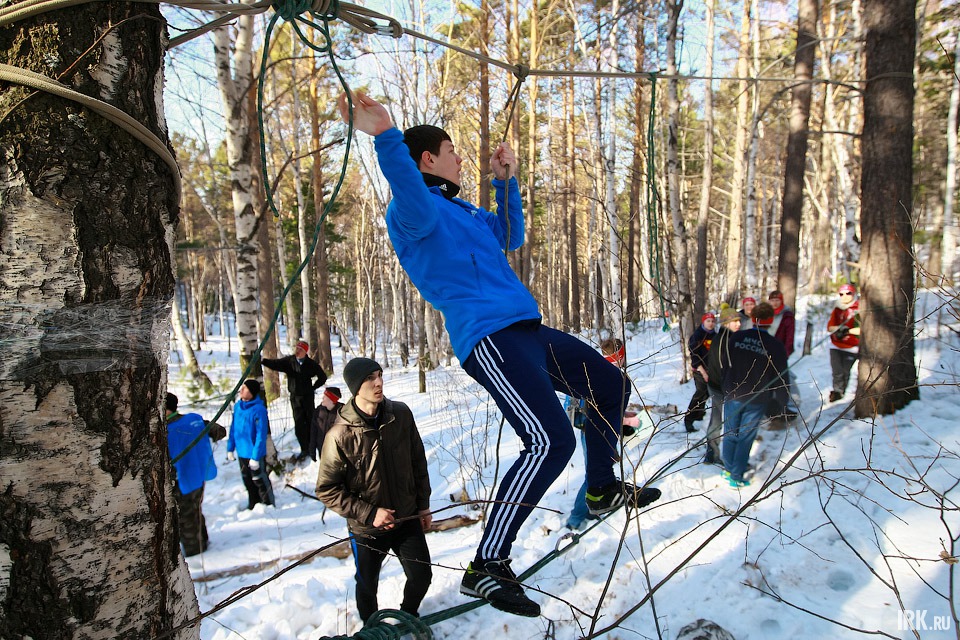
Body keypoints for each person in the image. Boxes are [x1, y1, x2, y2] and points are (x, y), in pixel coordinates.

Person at [338, 89, 660, 617]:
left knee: (609, 385)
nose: (460, 156)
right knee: (548, 440)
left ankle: (601, 487)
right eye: (451, 150)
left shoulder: (462, 211)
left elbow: (509, 234)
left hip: (527, 330)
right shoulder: (413, 212)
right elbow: (407, 188)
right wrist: (386, 135)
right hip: (487, 338)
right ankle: (487, 564)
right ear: (427, 160)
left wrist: (505, 180)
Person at [315, 358, 433, 624]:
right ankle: (372, 629)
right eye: (370, 378)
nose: (378, 382)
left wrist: (423, 505)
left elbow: (417, 461)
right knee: (367, 586)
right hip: (366, 529)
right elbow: (326, 489)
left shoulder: (400, 414)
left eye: (379, 375)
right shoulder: (339, 433)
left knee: (422, 576)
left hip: (406, 517)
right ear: (356, 387)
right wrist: (369, 514)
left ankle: (408, 616)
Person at [565, 338, 638, 530]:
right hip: (594, 431)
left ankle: (590, 509)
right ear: (620, 356)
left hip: (594, 429)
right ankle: (575, 518)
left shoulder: (595, 368)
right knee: (594, 475)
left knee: (599, 471)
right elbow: (599, 413)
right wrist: (628, 421)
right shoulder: (608, 375)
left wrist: (624, 416)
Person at [719, 302, 789, 488]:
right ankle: (735, 474)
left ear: (753, 318)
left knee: (731, 432)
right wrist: (782, 402)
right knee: (745, 437)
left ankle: (730, 467)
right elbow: (782, 377)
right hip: (755, 398)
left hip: (735, 393)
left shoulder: (738, 337)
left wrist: (724, 385)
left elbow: (725, 363)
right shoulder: (775, 345)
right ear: (771, 320)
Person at [165, 392, 220, 556]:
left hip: (181, 480)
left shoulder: (166, 429)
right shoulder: (193, 420)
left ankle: (195, 552)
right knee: (195, 508)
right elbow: (219, 431)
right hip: (199, 476)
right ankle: (203, 541)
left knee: (185, 516)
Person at [261, 339, 328, 461]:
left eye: (300, 349)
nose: (297, 351)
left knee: (310, 421)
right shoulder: (289, 361)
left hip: (307, 397)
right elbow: (276, 364)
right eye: (296, 348)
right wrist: (263, 361)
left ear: (305, 352)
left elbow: (322, 377)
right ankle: (304, 449)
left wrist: (313, 387)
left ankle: (314, 445)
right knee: (299, 423)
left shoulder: (311, 364)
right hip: (295, 397)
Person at [227, 379, 275, 509]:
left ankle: (268, 504)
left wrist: (255, 456)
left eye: (245, 388)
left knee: (259, 479)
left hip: (254, 453)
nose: (241, 390)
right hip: (241, 451)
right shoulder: (238, 407)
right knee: (247, 480)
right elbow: (233, 428)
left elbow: (261, 435)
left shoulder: (259, 410)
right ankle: (253, 504)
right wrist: (230, 447)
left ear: (252, 392)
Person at [704, 306, 741, 465]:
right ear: (726, 323)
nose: (738, 324)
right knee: (720, 420)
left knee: (718, 419)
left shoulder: (723, 337)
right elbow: (723, 366)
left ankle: (712, 453)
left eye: (739, 320)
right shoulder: (726, 340)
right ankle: (714, 454)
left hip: (719, 385)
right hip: (721, 387)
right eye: (735, 321)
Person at [767, 290, 799, 418]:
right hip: (764, 353)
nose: (774, 303)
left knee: (782, 381)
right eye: (772, 300)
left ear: (781, 301)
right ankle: (770, 409)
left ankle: (785, 408)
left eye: (777, 300)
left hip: (780, 353)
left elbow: (789, 337)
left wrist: (785, 353)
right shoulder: (765, 314)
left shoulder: (787, 316)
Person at [827, 283, 861, 402]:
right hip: (835, 345)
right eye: (841, 294)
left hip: (851, 346)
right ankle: (837, 391)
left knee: (845, 371)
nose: (845, 296)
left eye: (848, 293)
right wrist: (838, 329)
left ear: (854, 294)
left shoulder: (858, 309)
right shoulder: (837, 309)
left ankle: (842, 391)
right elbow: (830, 326)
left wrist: (848, 331)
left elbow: (862, 328)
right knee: (837, 371)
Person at [684, 312, 716, 433]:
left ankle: (699, 415)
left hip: (711, 370)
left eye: (713, 321)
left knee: (707, 393)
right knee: (700, 393)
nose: (711, 323)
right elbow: (694, 355)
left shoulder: (715, 336)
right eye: (708, 321)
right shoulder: (698, 335)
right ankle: (689, 419)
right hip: (699, 370)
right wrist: (703, 372)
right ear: (703, 322)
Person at [309, 386, 343, 461]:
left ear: (331, 400)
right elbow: (313, 431)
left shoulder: (342, 412)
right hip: (322, 451)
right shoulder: (318, 411)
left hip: (337, 453)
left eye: (325, 397)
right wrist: (312, 450)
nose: (322, 399)